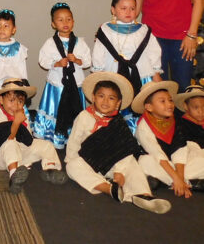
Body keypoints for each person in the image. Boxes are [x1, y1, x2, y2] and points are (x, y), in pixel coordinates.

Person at [65, 72, 171, 214]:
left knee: (131, 162)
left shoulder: (118, 122)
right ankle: (109, 189)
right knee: (72, 166)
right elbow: (74, 141)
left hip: (113, 164)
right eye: (101, 96)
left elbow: (125, 150)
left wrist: (119, 172)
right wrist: (72, 160)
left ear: (118, 103)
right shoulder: (84, 116)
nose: (105, 101)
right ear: (93, 97)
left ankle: (143, 195)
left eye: (111, 98)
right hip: (90, 162)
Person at [0, 78, 67, 194]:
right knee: (10, 144)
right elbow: (1, 140)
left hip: (20, 151)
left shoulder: (22, 115)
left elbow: (28, 140)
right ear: (1, 99)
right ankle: (14, 176)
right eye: (11, 100)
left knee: (46, 145)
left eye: (20, 102)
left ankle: (50, 169)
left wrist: (20, 122)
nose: (15, 106)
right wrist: (16, 123)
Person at [92, 0, 162, 131]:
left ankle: (141, 134)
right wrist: (98, 74)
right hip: (115, 76)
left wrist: (156, 72)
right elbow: (99, 53)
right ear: (113, 10)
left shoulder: (143, 30)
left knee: (142, 106)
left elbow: (153, 51)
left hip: (141, 75)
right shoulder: (105, 30)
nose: (128, 12)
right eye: (123, 8)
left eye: (132, 8)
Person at [34, 2, 91, 148]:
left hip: (75, 84)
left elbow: (88, 61)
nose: (65, 22)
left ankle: (74, 138)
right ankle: (55, 138)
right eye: (60, 20)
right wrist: (57, 63)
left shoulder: (80, 42)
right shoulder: (50, 43)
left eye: (68, 19)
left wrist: (77, 60)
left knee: (74, 110)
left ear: (73, 21)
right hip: (57, 85)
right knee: (56, 111)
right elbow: (42, 61)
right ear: (53, 24)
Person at [133, 81, 203, 198]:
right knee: (144, 162)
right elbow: (157, 154)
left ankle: (173, 182)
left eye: (170, 100)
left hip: (176, 164)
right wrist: (177, 178)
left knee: (194, 149)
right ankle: (188, 182)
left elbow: (179, 150)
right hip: (160, 162)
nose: (169, 104)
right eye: (163, 101)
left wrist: (180, 177)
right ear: (149, 107)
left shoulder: (175, 121)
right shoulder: (143, 127)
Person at [175, 84, 204, 191]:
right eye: (196, 107)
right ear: (186, 107)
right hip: (191, 158)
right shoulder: (181, 124)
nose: (201, 111)